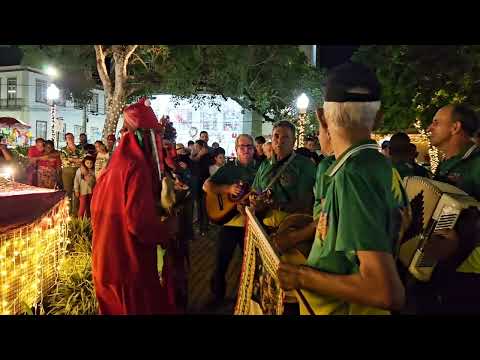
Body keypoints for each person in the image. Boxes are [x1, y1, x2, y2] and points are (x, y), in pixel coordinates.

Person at [275, 62, 408, 315]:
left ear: (322, 116)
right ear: (379, 118)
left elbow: (384, 290)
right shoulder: (378, 166)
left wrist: (301, 276)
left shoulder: (353, 174)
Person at [91, 98, 178, 315]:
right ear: (145, 136)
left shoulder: (115, 164)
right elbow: (139, 224)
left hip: (105, 262)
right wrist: (167, 229)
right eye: (156, 135)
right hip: (127, 266)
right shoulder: (135, 167)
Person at [409, 103, 480, 314]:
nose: (430, 128)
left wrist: (461, 240)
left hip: (470, 271)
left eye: (436, 122)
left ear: (455, 127)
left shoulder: (477, 164)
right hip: (443, 266)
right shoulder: (445, 164)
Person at [203, 134, 258, 302]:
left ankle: (254, 298)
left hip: (252, 224)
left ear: (254, 149)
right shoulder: (229, 168)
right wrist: (228, 189)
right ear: (236, 150)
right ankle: (217, 296)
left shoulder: (261, 168)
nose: (246, 150)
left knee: (255, 265)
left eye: (249, 146)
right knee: (221, 263)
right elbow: (207, 186)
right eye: (242, 146)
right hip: (230, 223)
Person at [250, 120, 316, 229]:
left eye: (285, 137)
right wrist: (254, 200)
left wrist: (274, 205)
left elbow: (306, 204)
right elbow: (255, 190)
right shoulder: (265, 164)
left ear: (294, 141)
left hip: (291, 231)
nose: (280, 141)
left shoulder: (305, 165)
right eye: (276, 136)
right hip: (261, 229)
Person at [190, 139, 211, 236]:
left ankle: (204, 227)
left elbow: (203, 170)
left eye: (197, 147)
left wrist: (199, 155)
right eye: (194, 146)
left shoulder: (206, 157)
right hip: (196, 186)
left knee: (203, 207)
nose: (195, 148)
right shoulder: (194, 157)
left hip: (203, 186)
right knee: (199, 207)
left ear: (202, 148)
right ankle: (200, 226)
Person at [60, 133, 84, 214]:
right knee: (68, 192)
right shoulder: (63, 149)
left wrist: (71, 159)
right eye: (68, 138)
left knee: (77, 191)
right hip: (67, 172)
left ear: (74, 138)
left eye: (71, 137)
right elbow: (65, 161)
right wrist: (77, 160)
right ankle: (68, 211)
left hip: (78, 171)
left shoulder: (80, 149)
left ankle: (76, 211)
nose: (70, 139)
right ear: (66, 140)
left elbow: (83, 159)